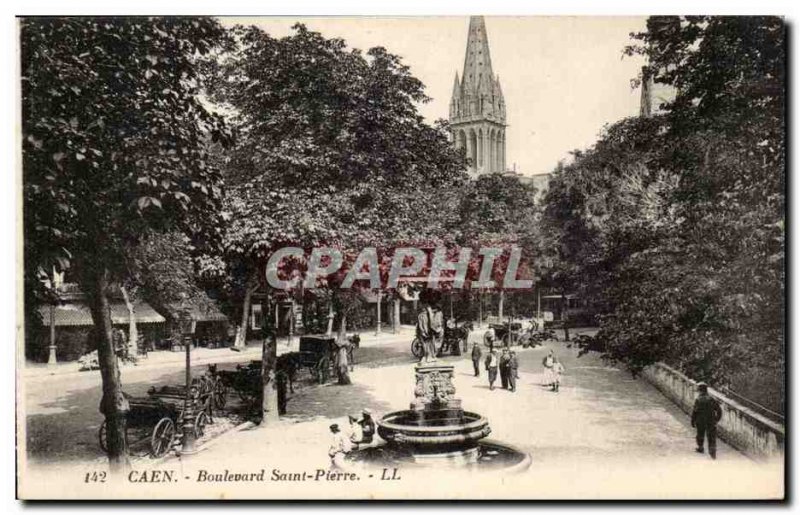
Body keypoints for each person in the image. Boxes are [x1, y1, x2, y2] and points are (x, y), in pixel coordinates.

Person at [691, 382, 723, 459]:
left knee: (700, 434)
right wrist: (716, 419)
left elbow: (695, 412)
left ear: (700, 390)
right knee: (711, 436)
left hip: (700, 421)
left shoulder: (698, 399)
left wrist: (692, 421)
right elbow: (719, 410)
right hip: (711, 421)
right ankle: (712, 452)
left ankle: (700, 447)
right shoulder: (711, 399)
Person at [416, 299, 443, 364]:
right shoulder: (422, 315)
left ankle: (431, 357)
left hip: (430, 332)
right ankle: (427, 357)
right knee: (425, 345)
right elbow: (420, 325)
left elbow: (435, 323)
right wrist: (423, 331)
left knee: (431, 345)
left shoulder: (434, 314)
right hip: (425, 333)